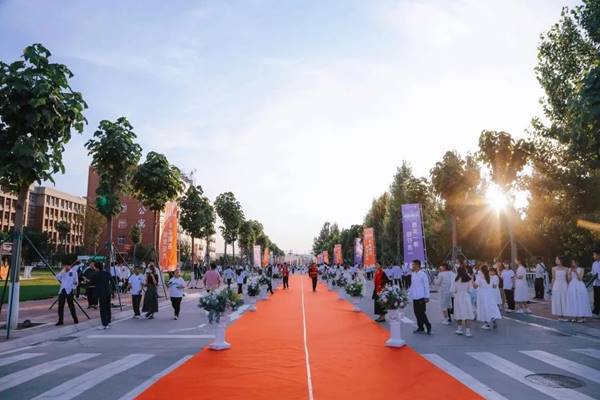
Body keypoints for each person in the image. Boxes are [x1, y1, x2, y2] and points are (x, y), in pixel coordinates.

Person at [474, 265, 502, 330]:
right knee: (490, 307)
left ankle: (486, 324)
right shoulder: (491, 277)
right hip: (490, 294)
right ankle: (493, 318)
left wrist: (472, 281)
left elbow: (475, 286)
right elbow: (494, 286)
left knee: (483, 308)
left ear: (481, 271)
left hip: (482, 294)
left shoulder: (479, 277)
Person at [409, 259, 431, 335]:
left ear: (417, 265)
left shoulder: (423, 274)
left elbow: (426, 286)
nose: (412, 266)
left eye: (413, 265)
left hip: (421, 296)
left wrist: (427, 296)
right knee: (416, 313)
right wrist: (409, 294)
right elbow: (412, 285)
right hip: (415, 297)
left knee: (422, 313)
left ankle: (428, 326)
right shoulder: (413, 274)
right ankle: (420, 327)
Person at [452, 265, 475, 337]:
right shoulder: (468, 279)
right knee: (467, 314)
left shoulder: (456, 279)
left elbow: (453, 290)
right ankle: (468, 331)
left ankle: (459, 329)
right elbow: (471, 290)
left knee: (459, 313)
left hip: (458, 297)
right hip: (466, 297)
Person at [91, 262, 112, 329]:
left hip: (101, 293)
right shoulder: (107, 273)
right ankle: (108, 320)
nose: (94, 268)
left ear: (97, 268)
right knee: (108, 306)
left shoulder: (95, 274)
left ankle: (105, 324)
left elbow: (92, 282)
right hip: (108, 291)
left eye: (94, 267)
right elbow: (112, 281)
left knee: (102, 308)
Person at [551, 256, 569, 321]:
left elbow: (567, 279)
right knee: (558, 300)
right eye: (555, 259)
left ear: (561, 260)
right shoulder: (553, 268)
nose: (556, 261)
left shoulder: (566, 269)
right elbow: (553, 278)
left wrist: (569, 286)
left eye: (557, 259)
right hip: (557, 286)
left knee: (564, 300)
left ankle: (564, 315)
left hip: (564, 285)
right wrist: (552, 287)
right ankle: (560, 316)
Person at [592, 249, 600, 318]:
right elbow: (593, 272)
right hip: (595, 283)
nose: (593, 256)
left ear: (598, 255)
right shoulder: (594, 263)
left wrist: (598, 277)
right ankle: (596, 312)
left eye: (594, 255)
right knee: (596, 297)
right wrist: (590, 273)